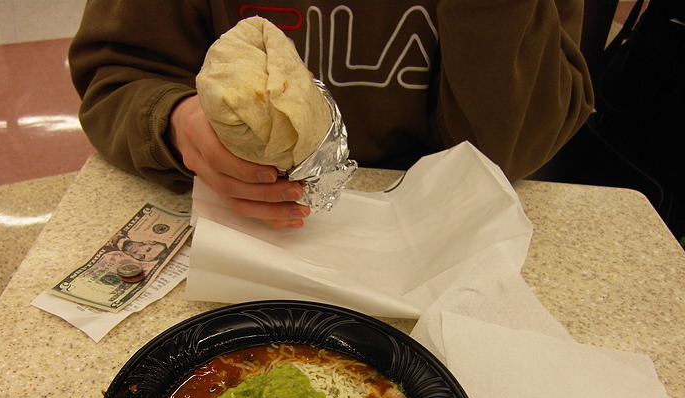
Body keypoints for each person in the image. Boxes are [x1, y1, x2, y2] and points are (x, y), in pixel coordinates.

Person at [69, 1, 594, 228]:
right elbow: (115, 74)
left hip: (435, 239)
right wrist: (177, 121)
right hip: (231, 225)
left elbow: (513, 144)